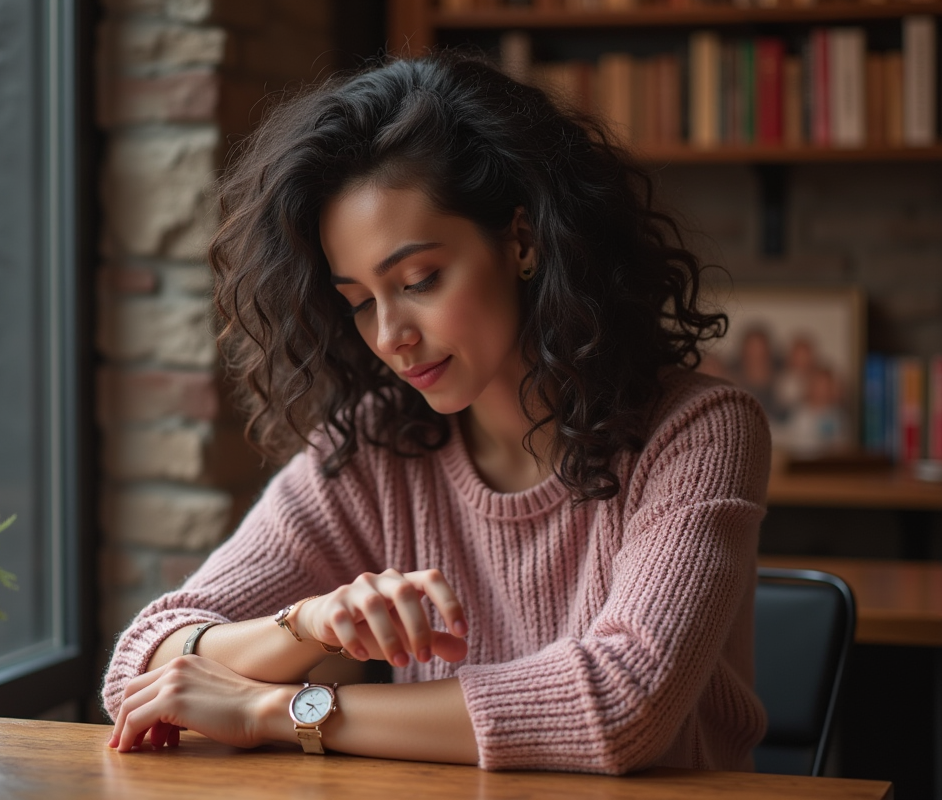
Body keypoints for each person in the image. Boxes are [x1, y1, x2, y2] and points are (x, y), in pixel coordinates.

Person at [103, 53, 770, 775]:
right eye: (359, 301)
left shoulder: (697, 431)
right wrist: (309, 626)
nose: (390, 334)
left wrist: (274, 711)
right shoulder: (379, 446)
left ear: (522, 240)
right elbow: (145, 664)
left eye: (418, 279)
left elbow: (619, 706)